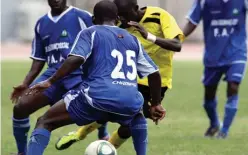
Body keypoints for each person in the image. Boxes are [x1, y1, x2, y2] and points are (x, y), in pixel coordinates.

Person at [25, 1, 165, 155]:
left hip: (95, 98)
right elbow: (154, 73)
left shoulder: (90, 32)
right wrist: (156, 104)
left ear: (93, 19)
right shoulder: (132, 40)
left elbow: (75, 59)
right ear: (117, 19)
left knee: (44, 122)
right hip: (127, 100)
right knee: (137, 115)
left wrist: (50, 81)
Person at [55, 0, 185, 150]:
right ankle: (85, 137)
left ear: (136, 8)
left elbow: (177, 45)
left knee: (127, 125)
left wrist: (148, 36)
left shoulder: (159, 16)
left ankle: (104, 145)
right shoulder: (119, 28)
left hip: (156, 81)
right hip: (128, 80)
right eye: (119, 16)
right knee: (117, 111)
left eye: (124, 15)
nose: (121, 20)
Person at [10, 0, 107, 154]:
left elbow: (103, 40)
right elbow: (39, 59)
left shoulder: (83, 17)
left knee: (97, 104)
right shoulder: (41, 23)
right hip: (52, 76)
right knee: (21, 107)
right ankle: (22, 152)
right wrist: (25, 83)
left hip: (79, 74)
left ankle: (103, 136)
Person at [182, 0, 248, 138]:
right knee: (209, 96)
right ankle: (215, 123)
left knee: (233, 86)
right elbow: (192, 22)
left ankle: (224, 131)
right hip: (213, 55)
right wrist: (177, 39)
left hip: (236, 52)